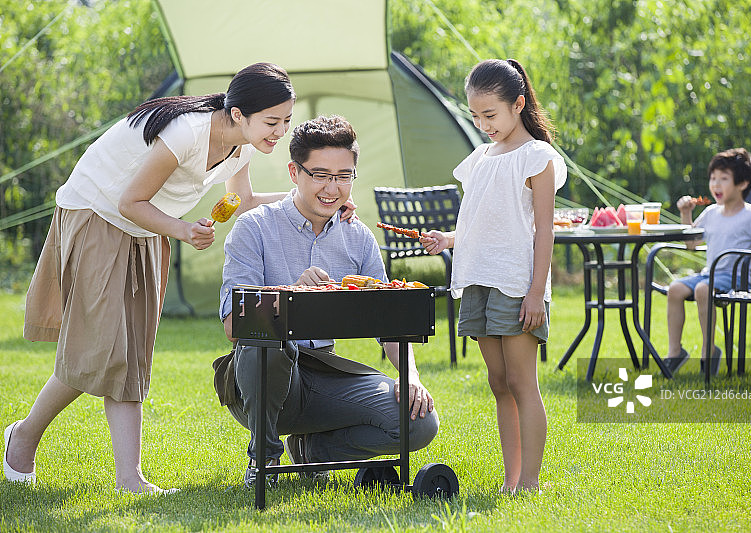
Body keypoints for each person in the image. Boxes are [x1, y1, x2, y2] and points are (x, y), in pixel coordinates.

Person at [3, 62, 353, 493]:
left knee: (130, 354)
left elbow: (241, 202)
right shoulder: (188, 133)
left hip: (146, 226)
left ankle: (129, 479)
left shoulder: (242, 146)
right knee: (100, 348)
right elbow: (130, 200)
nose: (280, 132)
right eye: (272, 122)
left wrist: (323, 196)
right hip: (98, 213)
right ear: (240, 114)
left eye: (286, 121)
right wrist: (184, 231)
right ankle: (24, 436)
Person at [217, 115, 438, 488]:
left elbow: (391, 324)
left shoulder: (359, 238)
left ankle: (315, 452)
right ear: (294, 172)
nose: (331, 188)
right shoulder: (254, 227)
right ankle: (265, 460)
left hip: (325, 374)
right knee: (264, 345)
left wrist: (410, 375)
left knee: (419, 422)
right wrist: (292, 296)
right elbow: (233, 328)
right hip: (258, 376)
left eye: (343, 176)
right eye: (320, 174)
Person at [420, 59, 566, 494]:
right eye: (476, 115)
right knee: (498, 382)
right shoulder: (480, 158)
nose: (484, 124)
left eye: (491, 115)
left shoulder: (538, 157)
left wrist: (536, 292)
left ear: (518, 104)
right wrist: (448, 240)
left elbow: (543, 231)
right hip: (477, 279)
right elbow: (483, 222)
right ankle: (511, 480)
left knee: (522, 381)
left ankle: (531, 483)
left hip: (517, 282)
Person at [662, 148, 751, 376]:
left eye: (723, 179)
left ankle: (708, 349)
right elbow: (692, 244)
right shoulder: (711, 213)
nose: (716, 184)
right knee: (675, 289)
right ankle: (675, 352)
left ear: (742, 184)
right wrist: (686, 214)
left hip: (739, 278)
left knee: (704, 289)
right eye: (713, 178)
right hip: (711, 274)